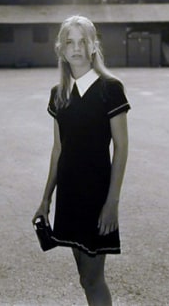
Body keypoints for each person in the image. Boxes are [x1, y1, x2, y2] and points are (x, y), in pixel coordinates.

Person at [32, 15, 130, 306]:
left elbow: (122, 148)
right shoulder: (59, 94)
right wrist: (46, 199)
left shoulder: (110, 88)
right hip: (70, 194)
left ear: (93, 46)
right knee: (83, 277)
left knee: (92, 278)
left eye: (82, 41)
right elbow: (58, 149)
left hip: (97, 195)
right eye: (69, 42)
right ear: (61, 49)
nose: (76, 48)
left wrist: (112, 203)